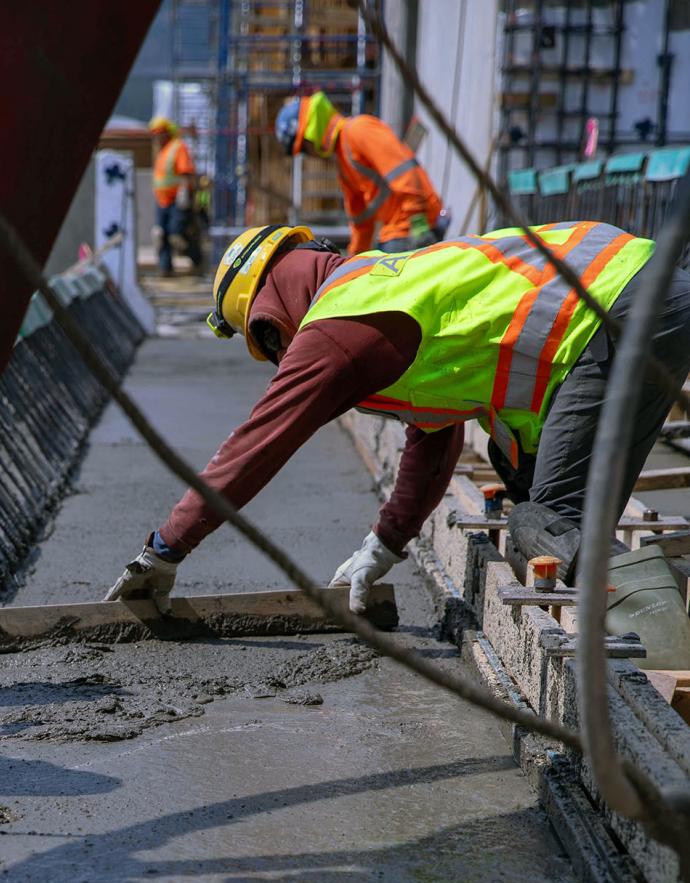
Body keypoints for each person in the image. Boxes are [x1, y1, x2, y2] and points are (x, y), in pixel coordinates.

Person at [105, 221, 690, 614]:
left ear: (267, 319)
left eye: (268, 345)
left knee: (543, 526)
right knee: (529, 488)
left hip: (613, 314)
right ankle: (636, 604)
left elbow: (256, 446)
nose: (280, 358)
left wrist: (165, 548)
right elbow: (433, 440)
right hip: (637, 291)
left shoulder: (335, 329)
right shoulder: (376, 280)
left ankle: (663, 613)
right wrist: (384, 546)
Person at [275, 92, 446, 256]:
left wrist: (419, 223)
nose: (310, 155)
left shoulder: (358, 131)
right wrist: (353, 261)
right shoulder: (343, 161)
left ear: (312, 132)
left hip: (413, 226)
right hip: (396, 231)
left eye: (304, 148)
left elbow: (404, 173)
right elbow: (360, 221)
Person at [149, 115, 203, 277]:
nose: (157, 138)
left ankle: (197, 260)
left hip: (176, 201)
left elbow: (186, 172)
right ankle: (165, 269)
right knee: (160, 235)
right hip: (162, 201)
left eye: (159, 134)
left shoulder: (177, 147)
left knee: (176, 236)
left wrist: (184, 194)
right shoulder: (162, 151)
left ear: (166, 133)